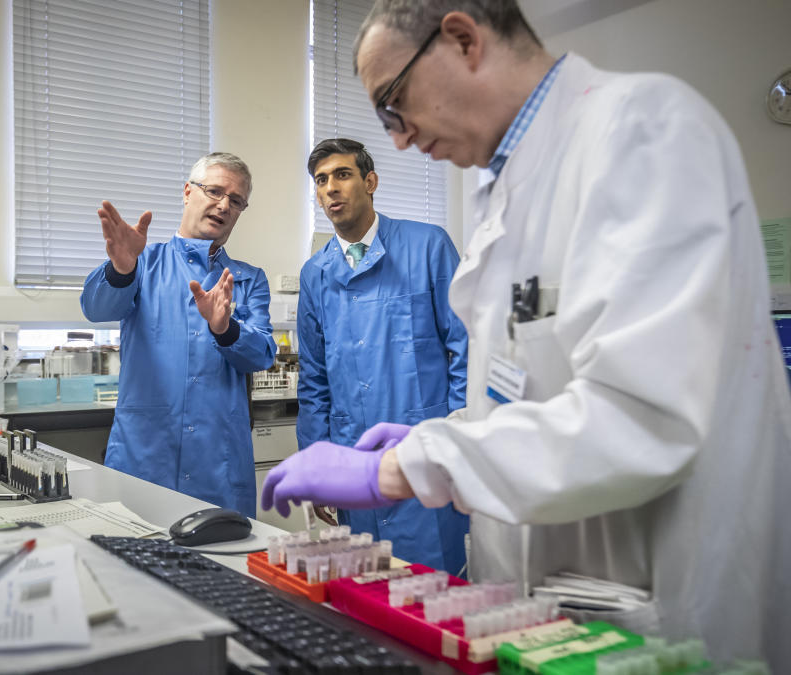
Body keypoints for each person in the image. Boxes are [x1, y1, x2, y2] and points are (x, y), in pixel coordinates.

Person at [261, 1, 791, 669]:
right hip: (544, 606)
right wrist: (443, 433)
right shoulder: (506, 189)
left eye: (394, 103)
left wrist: (399, 466)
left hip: (656, 604)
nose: (396, 138)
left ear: (460, 39)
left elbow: (641, 412)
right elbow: (525, 390)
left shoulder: (643, 130)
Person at [295, 138, 470, 574]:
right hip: (354, 460)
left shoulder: (427, 246)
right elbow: (314, 380)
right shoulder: (315, 274)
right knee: (368, 593)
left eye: (342, 175)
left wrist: (461, 441)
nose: (331, 188)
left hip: (426, 453)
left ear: (370, 182)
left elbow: (466, 347)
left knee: (437, 595)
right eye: (321, 181)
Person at [82, 152, 276, 516]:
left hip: (218, 462)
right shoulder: (143, 262)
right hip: (145, 456)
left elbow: (262, 353)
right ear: (188, 192)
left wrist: (225, 329)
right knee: (132, 563)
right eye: (215, 191)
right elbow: (96, 308)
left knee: (223, 566)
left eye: (236, 201)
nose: (224, 205)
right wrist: (121, 270)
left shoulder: (247, 279)